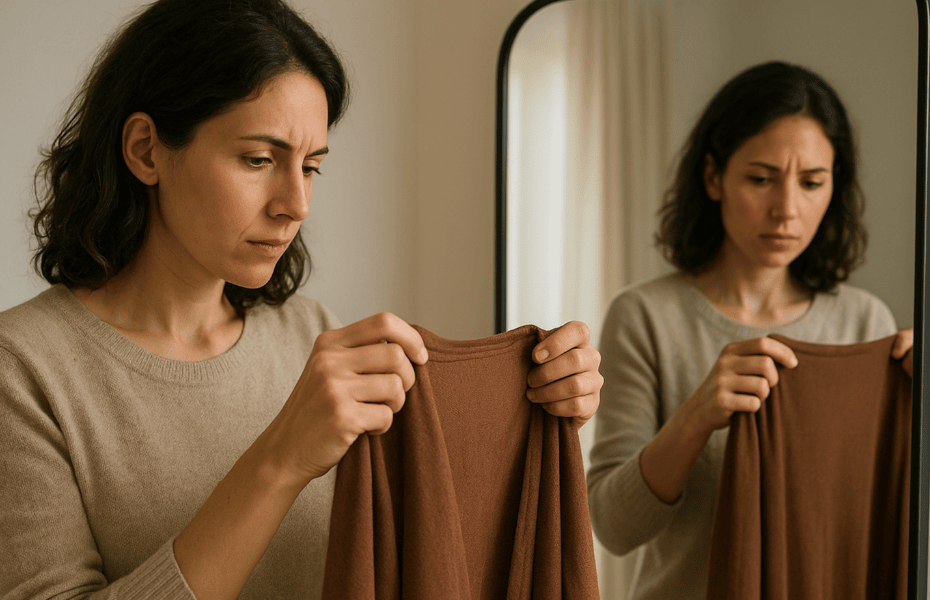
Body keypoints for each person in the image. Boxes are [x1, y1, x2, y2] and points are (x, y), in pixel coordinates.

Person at [0, 1, 603, 599]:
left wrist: (538, 410)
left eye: (311, 166)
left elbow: (429, 543)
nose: (295, 203)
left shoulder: (311, 333)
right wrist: (281, 459)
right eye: (259, 159)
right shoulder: (23, 369)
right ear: (145, 150)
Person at [586, 60, 914, 600]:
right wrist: (696, 416)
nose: (786, 209)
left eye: (812, 182)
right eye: (761, 179)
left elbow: (879, 514)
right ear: (714, 178)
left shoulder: (865, 322)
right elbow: (614, 528)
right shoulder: (644, 317)